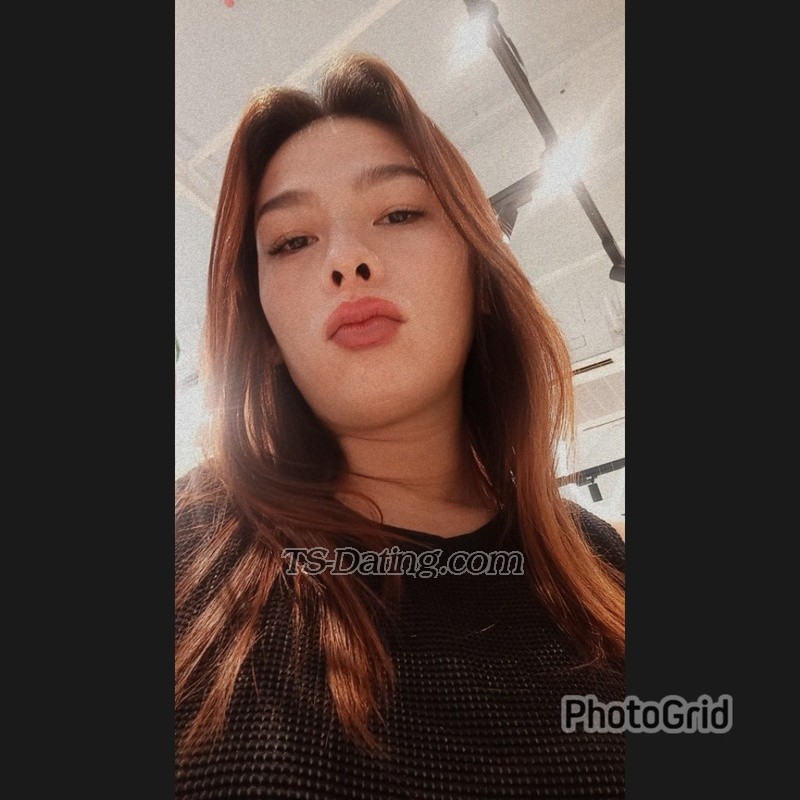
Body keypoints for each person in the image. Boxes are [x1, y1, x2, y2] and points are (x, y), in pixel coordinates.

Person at [175, 51, 625, 799]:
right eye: (292, 241)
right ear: (264, 324)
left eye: (399, 213)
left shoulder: (605, 571)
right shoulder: (186, 549)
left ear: (480, 273)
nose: (347, 261)